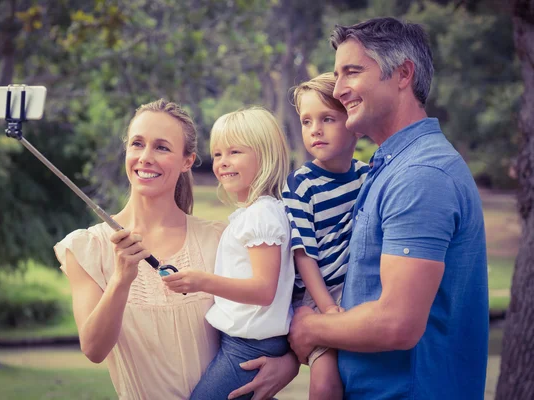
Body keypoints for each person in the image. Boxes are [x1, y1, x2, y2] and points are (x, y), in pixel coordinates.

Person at [288, 17, 489, 400]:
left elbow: (397, 324)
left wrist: (311, 329)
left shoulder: (421, 175)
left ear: (402, 74)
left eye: (352, 72)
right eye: (337, 74)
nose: (340, 89)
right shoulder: (387, 167)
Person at [54, 99, 299, 400]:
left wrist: (289, 363)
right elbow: (93, 349)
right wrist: (121, 278)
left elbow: (284, 300)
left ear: (187, 161)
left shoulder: (219, 238)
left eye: (161, 147)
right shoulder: (86, 248)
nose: (145, 157)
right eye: (137, 144)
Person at [163, 107, 296, 400]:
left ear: (265, 156)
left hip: (249, 346)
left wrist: (202, 281)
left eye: (234, 152)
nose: (222, 163)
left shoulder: (261, 216)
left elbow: (264, 290)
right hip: (242, 342)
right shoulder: (253, 213)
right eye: (218, 154)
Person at [282, 72, 369, 400]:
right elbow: (303, 254)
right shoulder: (302, 184)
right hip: (318, 292)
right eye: (306, 121)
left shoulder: (367, 175)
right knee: (326, 382)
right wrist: (327, 308)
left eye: (327, 118)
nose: (315, 129)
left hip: (359, 288)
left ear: (355, 124)